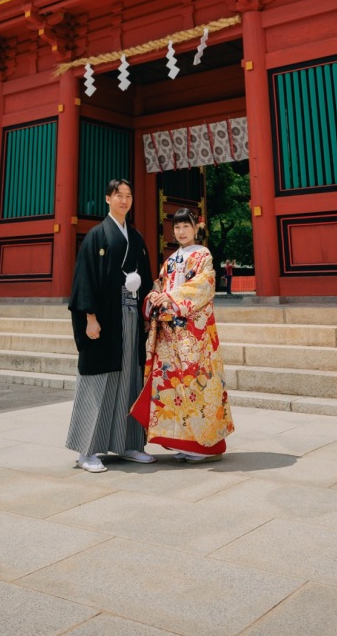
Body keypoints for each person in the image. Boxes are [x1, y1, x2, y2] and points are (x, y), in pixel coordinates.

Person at [130, 207, 234, 461]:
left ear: (195, 227)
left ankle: (205, 446)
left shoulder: (203, 255)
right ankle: (182, 442)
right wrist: (155, 295)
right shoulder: (171, 259)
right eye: (176, 227)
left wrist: (171, 298)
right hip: (169, 332)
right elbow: (159, 284)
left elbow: (204, 286)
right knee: (172, 386)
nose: (181, 231)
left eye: (185, 226)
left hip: (193, 334)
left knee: (197, 384)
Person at [66, 178, 155, 472]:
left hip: (130, 318)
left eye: (129, 196)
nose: (124, 201)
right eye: (119, 195)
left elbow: (147, 278)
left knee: (130, 378)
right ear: (108, 198)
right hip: (105, 318)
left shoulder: (137, 238)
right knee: (98, 380)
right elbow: (84, 278)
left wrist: (146, 310)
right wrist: (89, 317)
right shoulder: (96, 236)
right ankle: (87, 450)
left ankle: (129, 443)